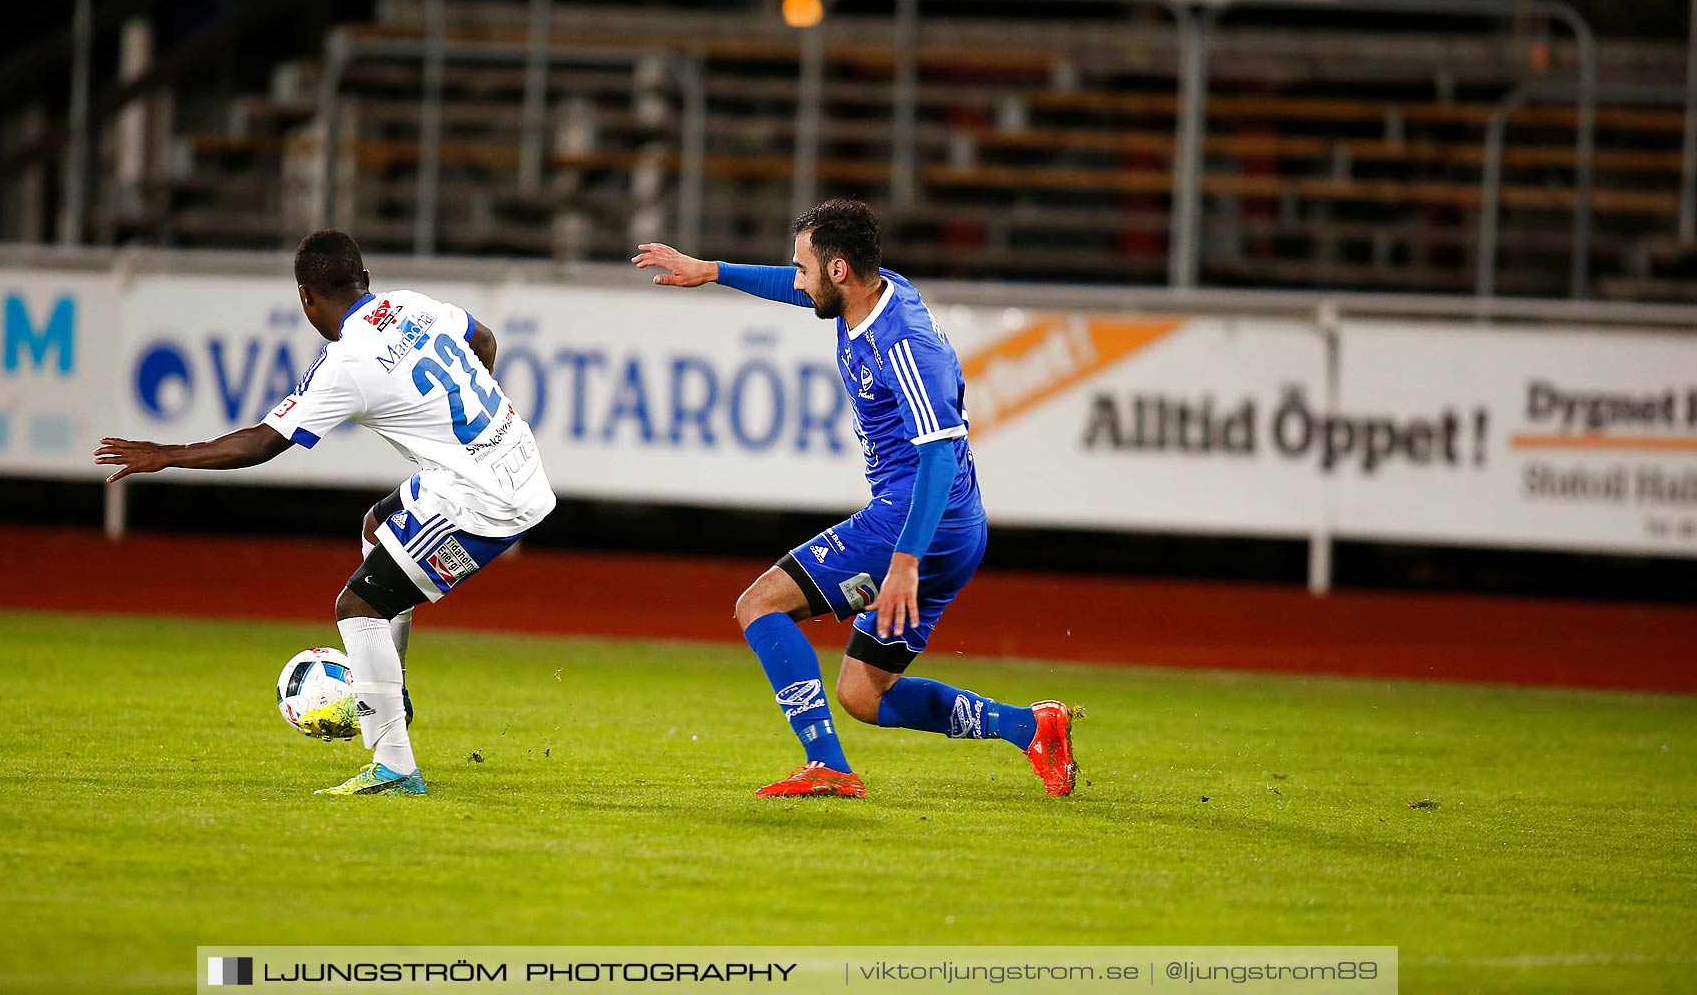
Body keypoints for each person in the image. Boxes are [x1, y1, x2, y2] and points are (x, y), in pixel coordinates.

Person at [632, 199, 1077, 798]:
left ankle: (829, 768)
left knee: (759, 605)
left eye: (805, 267)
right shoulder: (873, 293)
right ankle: (1031, 728)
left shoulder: (904, 343)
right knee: (863, 695)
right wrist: (711, 270)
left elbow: (939, 455)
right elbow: (798, 291)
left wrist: (905, 561)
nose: (797, 277)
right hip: (954, 527)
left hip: (916, 524)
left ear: (838, 270)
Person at [94, 230, 553, 797]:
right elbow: (484, 339)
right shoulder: (411, 305)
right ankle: (391, 688)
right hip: (513, 456)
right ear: (365, 279)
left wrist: (166, 456)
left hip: (484, 499)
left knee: (356, 605)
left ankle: (395, 769)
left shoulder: (346, 364)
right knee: (377, 527)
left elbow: (263, 443)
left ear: (306, 298)